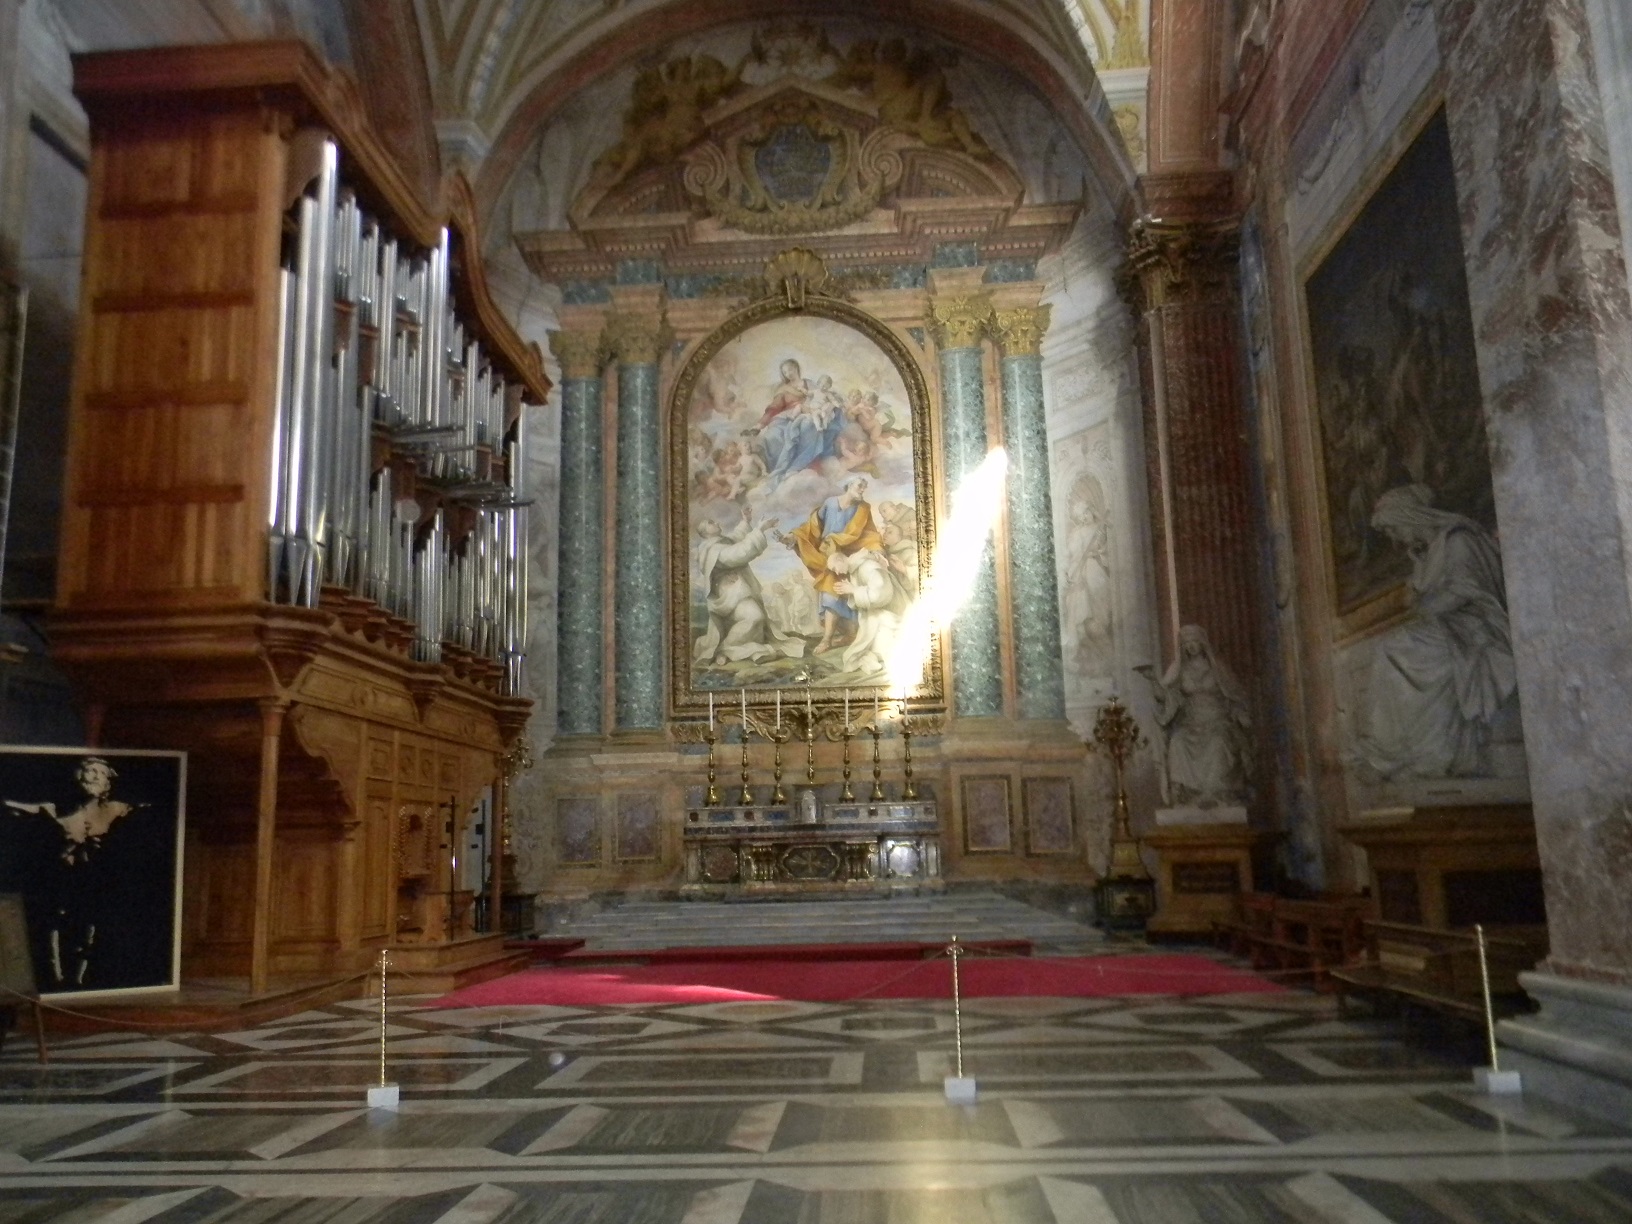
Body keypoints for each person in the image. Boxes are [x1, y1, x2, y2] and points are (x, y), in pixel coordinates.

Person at [1356, 484, 1516, 779]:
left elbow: (1464, 590)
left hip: (1478, 626)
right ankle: (1403, 748)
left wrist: (1423, 609)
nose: (1394, 539)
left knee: (1397, 646)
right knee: (1390, 647)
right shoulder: (1426, 554)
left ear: (1411, 517)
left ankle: (1423, 751)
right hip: (1450, 625)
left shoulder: (1458, 540)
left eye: (1394, 529)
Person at [4, 756, 143, 988]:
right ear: (78, 777)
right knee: (56, 925)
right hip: (63, 880)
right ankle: (56, 976)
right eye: (90, 771)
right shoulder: (56, 810)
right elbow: (19, 807)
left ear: (109, 781)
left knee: (90, 928)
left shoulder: (119, 809)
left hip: (97, 881)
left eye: (101, 772)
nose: (95, 776)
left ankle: (79, 977)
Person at [1138, 625, 1253, 808]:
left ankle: (1219, 792)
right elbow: (1164, 697)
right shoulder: (1178, 671)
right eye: (1186, 643)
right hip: (1191, 723)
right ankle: (1186, 793)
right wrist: (1153, 679)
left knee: (1218, 742)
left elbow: (1235, 696)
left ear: (1202, 644)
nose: (1191, 646)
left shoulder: (1218, 669)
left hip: (1218, 721)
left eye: (1194, 642)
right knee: (1177, 742)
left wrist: (1241, 715)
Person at [780, 476, 884, 654]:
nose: (862, 490)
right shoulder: (829, 503)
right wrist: (793, 536)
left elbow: (870, 533)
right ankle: (828, 639)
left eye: (864, 487)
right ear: (849, 485)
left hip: (850, 559)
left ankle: (846, 635)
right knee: (830, 595)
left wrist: (877, 549)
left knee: (845, 597)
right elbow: (812, 527)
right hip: (830, 557)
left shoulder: (863, 508)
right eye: (859, 486)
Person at [693, 512, 805, 665]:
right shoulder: (711, 550)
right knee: (754, 617)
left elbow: (736, 538)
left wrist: (746, 521)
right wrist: (759, 529)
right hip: (729, 595)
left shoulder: (719, 542)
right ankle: (726, 649)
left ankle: (730, 651)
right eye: (711, 523)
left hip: (737, 591)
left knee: (755, 618)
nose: (717, 523)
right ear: (705, 532)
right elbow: (738, 553)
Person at [828, 547, 910, 678]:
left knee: (881, 654)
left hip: (891, 615)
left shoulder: (867, 566)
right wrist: (851, 591)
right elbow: (861, 600)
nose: (837, 573)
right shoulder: (856, 569)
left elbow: (881, 594)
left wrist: (854, 590)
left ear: (840, 559)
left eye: (835, 568)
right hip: (878, 616)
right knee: (856, 655)